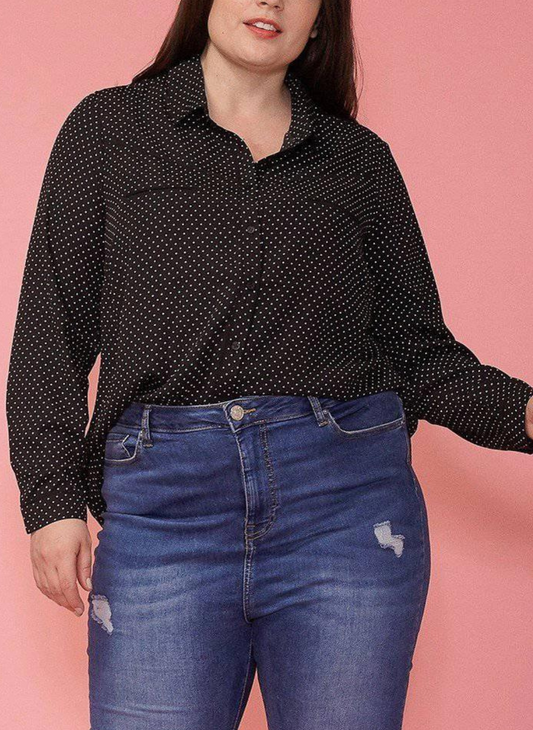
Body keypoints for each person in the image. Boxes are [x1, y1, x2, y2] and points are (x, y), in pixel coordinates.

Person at [6, 0, 533, 728]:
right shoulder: (109, 131)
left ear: (321, 19)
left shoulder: (358, 161)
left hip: (345, 512)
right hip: (165, 517)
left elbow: (416, 353)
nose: (271, 0)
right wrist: (51, 499)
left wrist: (525, 412)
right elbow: (49, 332)